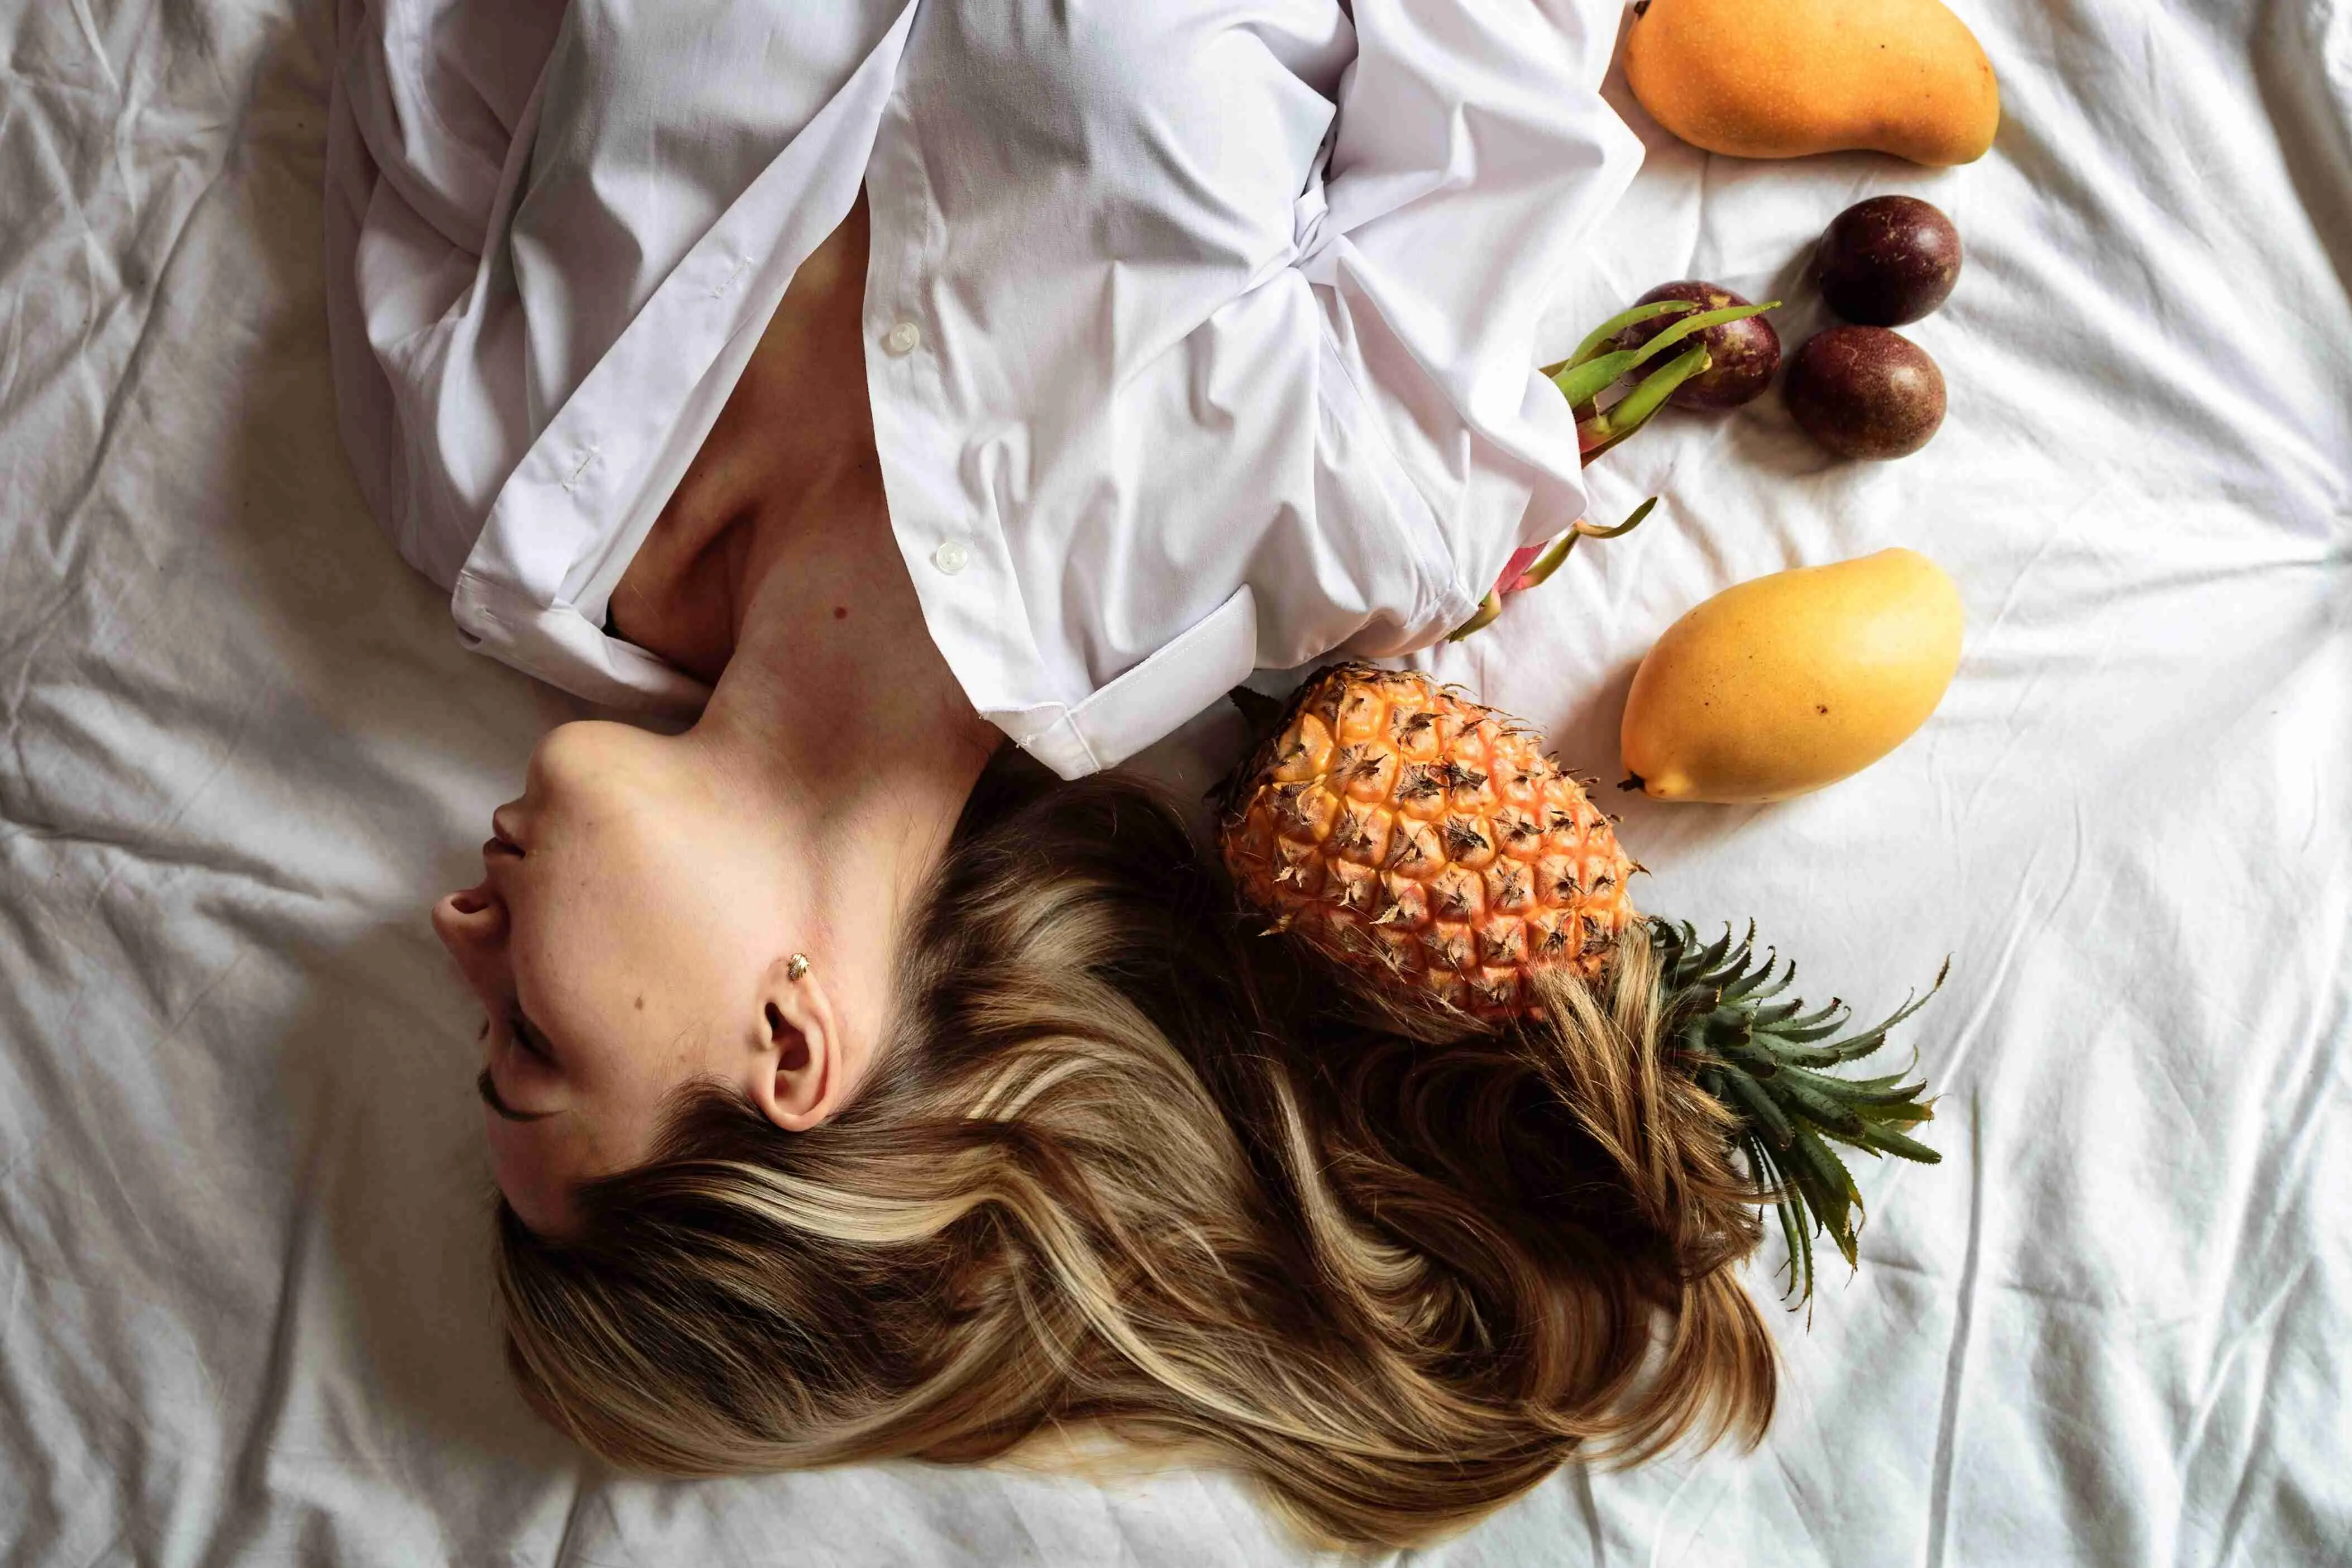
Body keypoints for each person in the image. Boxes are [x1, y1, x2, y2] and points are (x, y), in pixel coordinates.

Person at [327, 0, 1773, 1546]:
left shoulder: (477, 478)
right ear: (789, 1043)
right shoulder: (1326, 525)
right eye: (528, 1043)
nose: (454, 936)